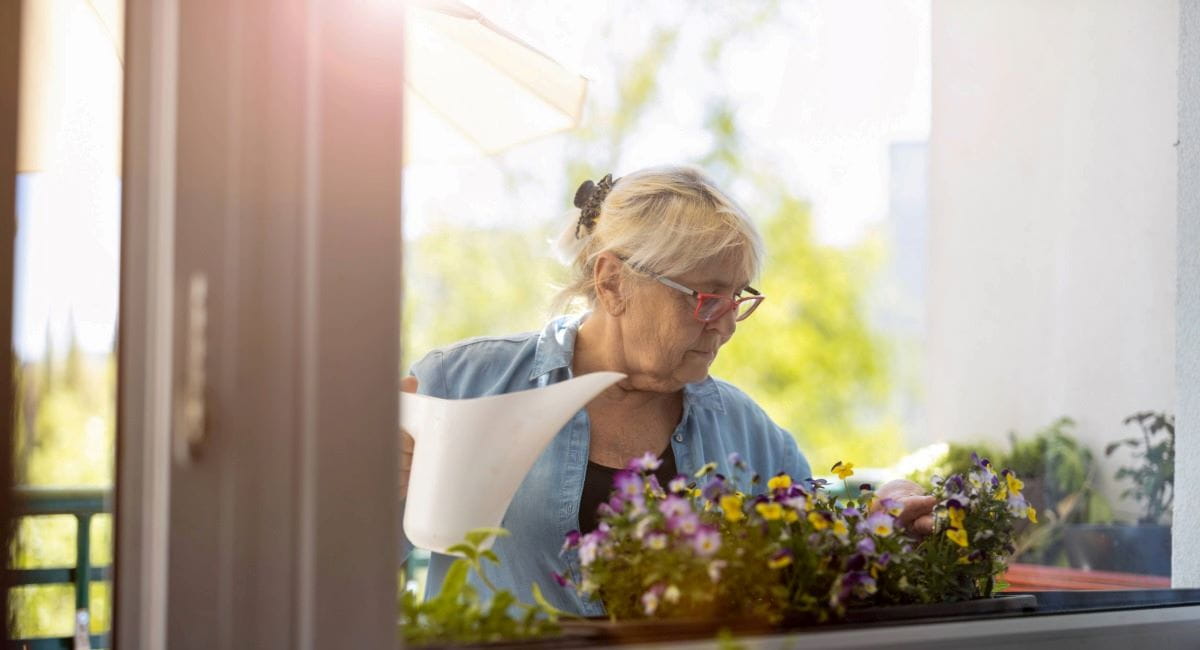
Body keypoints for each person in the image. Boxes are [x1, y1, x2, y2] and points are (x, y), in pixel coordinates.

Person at [398, 165, 934, 615]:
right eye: (705, 297)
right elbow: (337, 576)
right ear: (612, 282)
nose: (725, 325)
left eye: (737, 298)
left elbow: (820, 555)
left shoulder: (743, 430)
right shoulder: (461, 386)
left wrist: (881, 517)